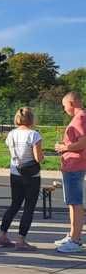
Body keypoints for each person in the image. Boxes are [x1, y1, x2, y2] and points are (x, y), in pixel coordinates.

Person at [0, 107, 43, 251]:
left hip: (15, 172)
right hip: (31, 175)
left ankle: (2, 235)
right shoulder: (34, 135)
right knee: (29, 207)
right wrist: (43, 157)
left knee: (15, 204)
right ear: (31, 118)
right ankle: (21, 239)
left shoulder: (11, 134)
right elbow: (38, 158)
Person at [54, 92, 86, 253]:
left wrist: (64, 147)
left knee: (75, 203)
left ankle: (75, 239)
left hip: (75, 165)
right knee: (72, 203)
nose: (64, 109)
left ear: (71, 103)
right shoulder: (80, 117)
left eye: (64, 105)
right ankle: (73, 235)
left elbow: (83, 142)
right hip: (72, 165)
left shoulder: (80, 118)